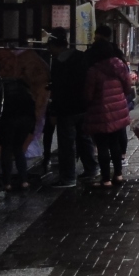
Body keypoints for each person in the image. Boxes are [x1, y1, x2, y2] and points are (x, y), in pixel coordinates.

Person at [84, 30, 134, 188]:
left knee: (102, 146)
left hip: (99, 112)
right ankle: (118, 174)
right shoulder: (119, 66)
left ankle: (106, 179)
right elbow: (128, 86)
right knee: (115, 143)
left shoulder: (93, 70)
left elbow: (88, 94)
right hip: (118, 110)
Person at [47, 28, 95, 186]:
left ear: (55, 46)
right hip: (83, 105)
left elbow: (58, 89)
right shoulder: (81, 57)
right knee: (84, 138)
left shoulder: (59, 63)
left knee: (67, 144)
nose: (49, 51)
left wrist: (54, 111)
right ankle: (91, 168)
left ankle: (68, 177)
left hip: (66, 108)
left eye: (50, 47)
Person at [0, 75, 36, 191]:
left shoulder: (1, 89)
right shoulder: (24, 89)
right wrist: (31, 128)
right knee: (18, 149)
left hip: (7, 122)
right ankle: (24, 181)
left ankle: (7, 183)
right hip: (24, 122)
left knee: (6, 149)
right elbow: (32, 108)